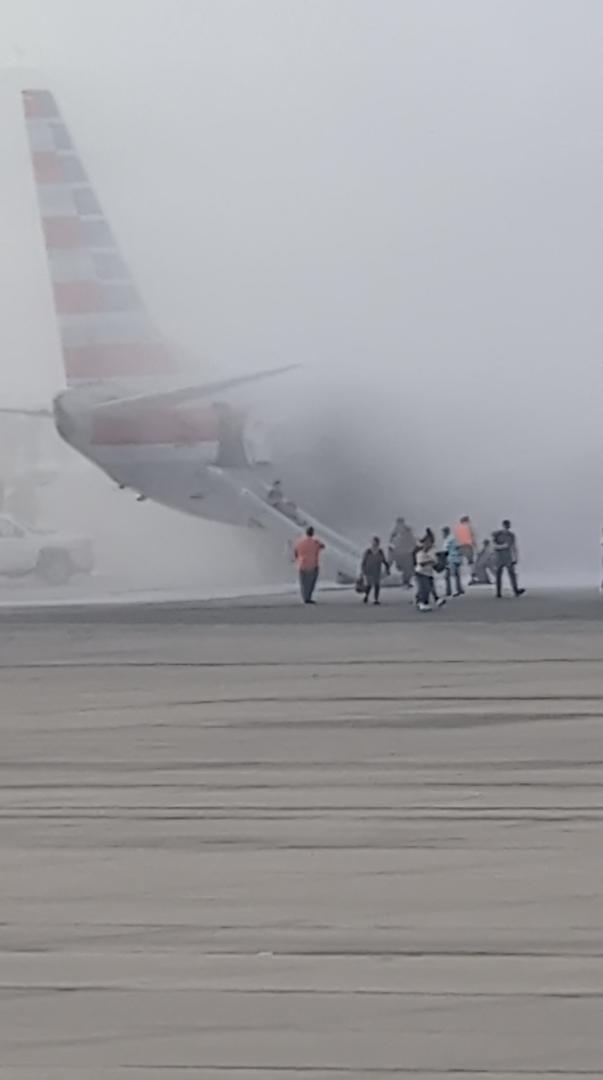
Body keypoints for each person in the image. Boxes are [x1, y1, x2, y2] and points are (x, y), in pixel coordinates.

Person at [492, 519, 525, 598]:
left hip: (507, 557)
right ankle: (499, 592)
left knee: (511, 574)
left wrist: (515, 557)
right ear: (504, 525)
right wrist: (503, 546)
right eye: (507, 525)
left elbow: (513, 547)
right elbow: (493, 545)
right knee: (500, 575)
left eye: (508, 525)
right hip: (500, 557)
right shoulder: (497, 534)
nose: (508, 526)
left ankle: (515, 590)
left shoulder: (511, 535)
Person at [294, 525, 325, 604]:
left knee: (303, 583)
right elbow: (322, 546)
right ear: (312, 533)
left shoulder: (299, 541)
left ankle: (304, 598)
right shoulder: (315, 542)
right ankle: (308, 598)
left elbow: (296, 552)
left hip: (302, 564)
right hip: (312, 565)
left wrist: (298, 560)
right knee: (310, 583)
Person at [415, 533, 445, 611]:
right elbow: (422, 564)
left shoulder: (431, 552)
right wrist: (430, 561)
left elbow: (435, 564)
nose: (428, 544)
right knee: (425, 589)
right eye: (426, 542)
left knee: (429, 588)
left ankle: (423, 601)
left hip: (428, 573)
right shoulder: (420, 553)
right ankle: (423, 603)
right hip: (421, 573)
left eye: (430, 543)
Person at [360, 536, 390, 605]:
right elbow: (363, 561)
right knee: (369, 585)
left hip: (377, 570)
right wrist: (362, 571)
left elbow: (384, 560)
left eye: (376, 542)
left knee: (377, 585)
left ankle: (376, 599)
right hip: (368, 571)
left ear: (378, 543)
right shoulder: (368, 551)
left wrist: (387, 568)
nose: (375, 543)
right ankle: (366, 596)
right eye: (373, 542)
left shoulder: (380, 551)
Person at [388, 517, 416, 587]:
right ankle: (405, 581)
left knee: (408, 569)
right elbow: (391, 542)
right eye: (398, 523)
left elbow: (412, 541)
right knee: (404, 568)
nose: (399, 525)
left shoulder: (407, 530)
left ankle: (407, 582)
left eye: (400, 523)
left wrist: (411, 549)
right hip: (399, 553)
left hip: (406, 553)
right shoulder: (395, 532)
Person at [441, 526, 464, 597]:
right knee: (455, 575)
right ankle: (458, 590)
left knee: (451, 576)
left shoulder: (450, 539)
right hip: (454, 559)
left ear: (446, 532)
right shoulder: (451, 539)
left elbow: (449, 550)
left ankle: (453, 591)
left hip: (451, 559)